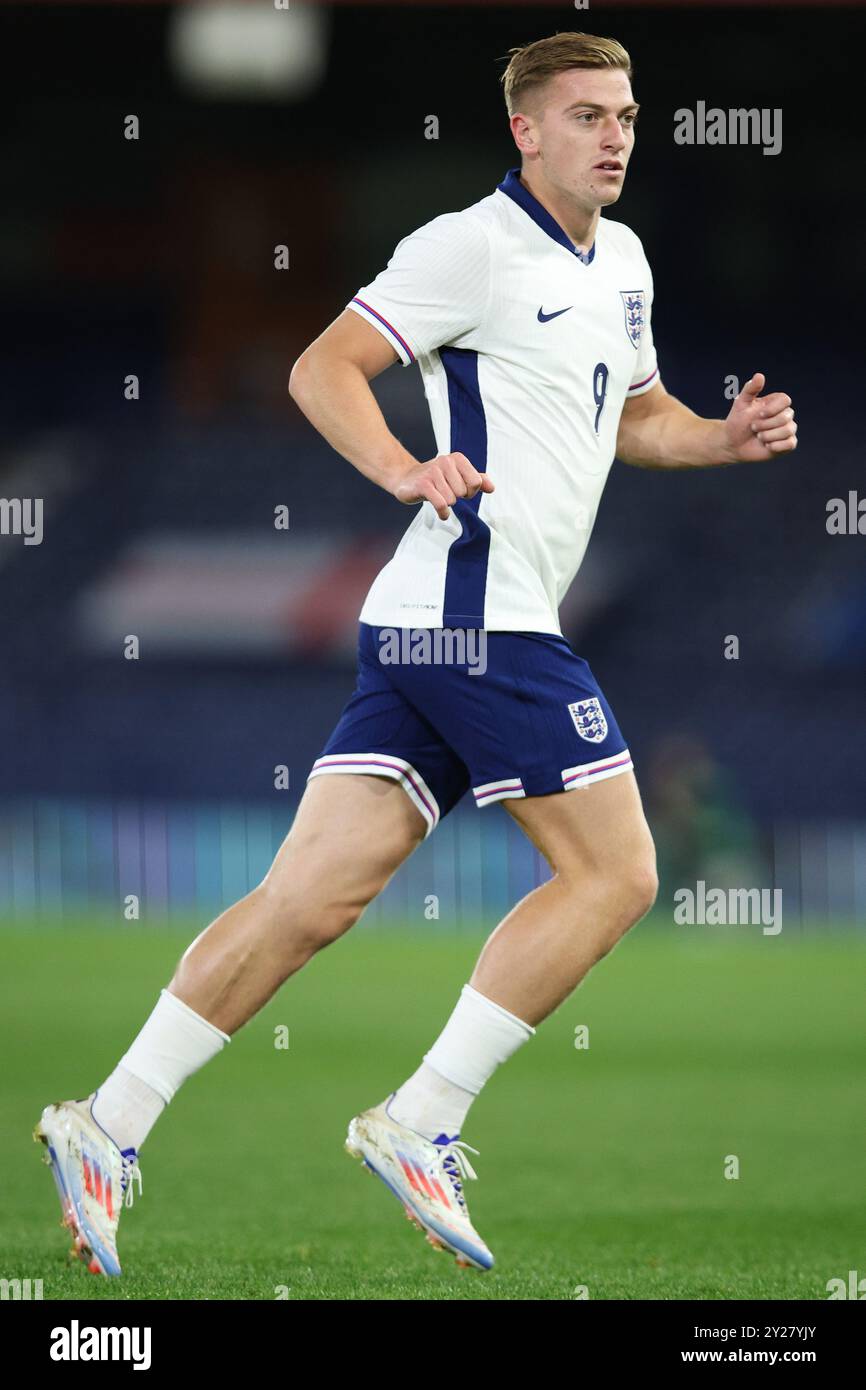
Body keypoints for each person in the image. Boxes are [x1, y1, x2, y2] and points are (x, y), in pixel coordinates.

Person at [35, 30, 797, 1276]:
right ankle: (422, 1118)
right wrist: (402, 466)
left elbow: (635, 417)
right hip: (478, 610)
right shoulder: (467, 247)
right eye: (588, 113)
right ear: (525, 131)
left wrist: (719, 435)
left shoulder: (627, 263)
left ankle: (104, 1125)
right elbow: (319, 364)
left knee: (306, 902)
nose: (615, 133)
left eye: (627, 113)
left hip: (430, 623)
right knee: (615, 875)